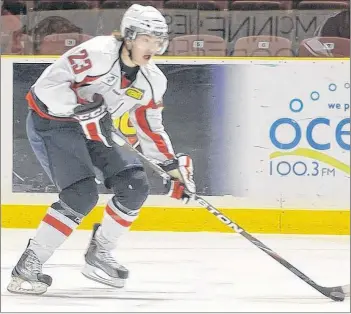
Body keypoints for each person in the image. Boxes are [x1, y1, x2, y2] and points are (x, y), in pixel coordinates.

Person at [7, 4, 196, 295]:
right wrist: (80, 108)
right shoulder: (96, 53)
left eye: (159, 41)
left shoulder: (152, 80)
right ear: (130, 36)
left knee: (134, 185)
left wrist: (172, 168)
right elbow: (44, 90)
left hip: (97, 128)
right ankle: (28, 265)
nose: (154, 47)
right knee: (81, 195)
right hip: (53, 124)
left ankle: (100, 252)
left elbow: (149, 126)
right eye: (148, 39)